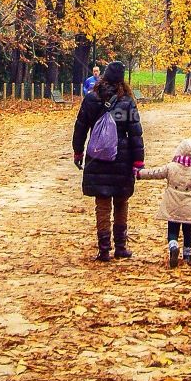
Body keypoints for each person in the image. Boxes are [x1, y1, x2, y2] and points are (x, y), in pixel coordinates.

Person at [72, 61, 144, 261]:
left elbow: (81, 127)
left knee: (102, 204)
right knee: (121, 202)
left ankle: (104, 249)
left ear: (103, 76)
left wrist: (78, 152)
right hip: (122, 157)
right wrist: (138, 162)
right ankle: (121, 247)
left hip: (97, 156)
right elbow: (135, 133)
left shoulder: (91, 99)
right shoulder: (127, 102)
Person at [136, 137, 191, 267]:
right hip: (189, 209)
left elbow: (155, 173)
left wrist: (140, 174)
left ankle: (173, 246)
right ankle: (187, 255)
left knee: (172, 230)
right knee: (188, 231)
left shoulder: (171, 167)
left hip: (172, 207)